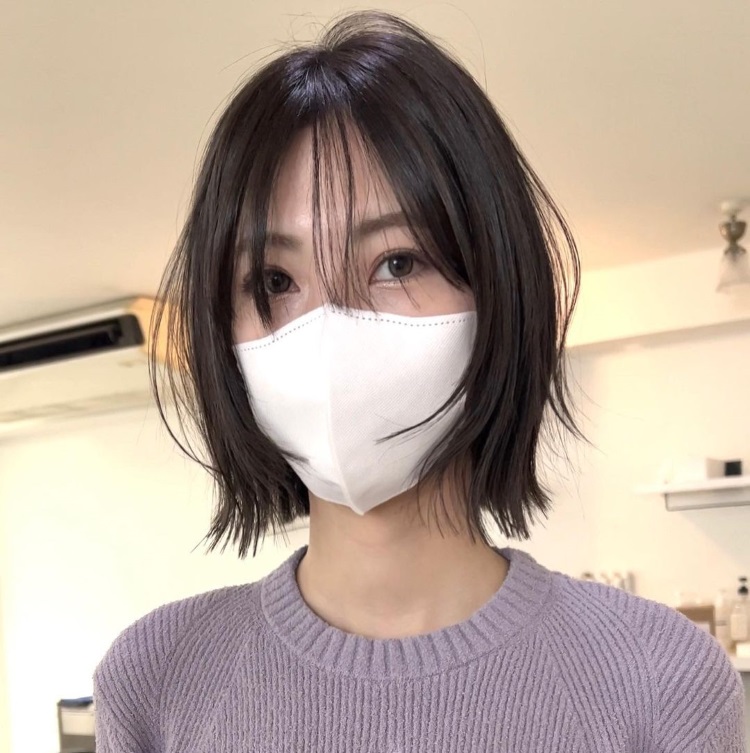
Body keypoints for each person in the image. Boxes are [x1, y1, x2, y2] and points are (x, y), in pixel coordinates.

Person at [93, 10, 745, 752]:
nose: (329, 329)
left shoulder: (661, 680)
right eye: (274, 280)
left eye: (396, 263)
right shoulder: (154, 681)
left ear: (499, 287)